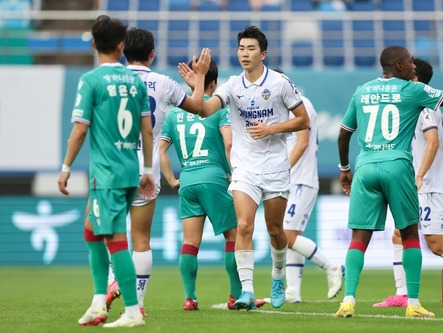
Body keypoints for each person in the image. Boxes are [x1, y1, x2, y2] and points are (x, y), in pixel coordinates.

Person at [335, 45, 443, 318]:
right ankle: (412, 303)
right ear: (399, 66)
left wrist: (344, 169)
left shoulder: (362, 90)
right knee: (410, 235)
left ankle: (349, 300)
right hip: (398, 166)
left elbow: (343, 134)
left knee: (358, 239)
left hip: (365, 166)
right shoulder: (413, 90)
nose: (414, 67)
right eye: (410, 62)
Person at [181, 25, 310, 310]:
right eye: (241, 49)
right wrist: (199, 79)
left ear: (263, 54)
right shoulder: (231, 86)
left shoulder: (280, 83)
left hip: (275, 166)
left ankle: (278, 277)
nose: (245, 54)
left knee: (276, 230)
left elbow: (303, 121)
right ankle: (247, 291)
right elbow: (203, 110)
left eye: (251, 49)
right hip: (245, 168)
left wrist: (271, 128)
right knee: (243, 226)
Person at [104, 27, 211, 315]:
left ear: (124, 50)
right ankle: (137, 305)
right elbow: (200, 108)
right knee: (141, 240)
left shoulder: (109, 81)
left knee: (107, 232)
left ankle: (113, 279)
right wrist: (198, 78)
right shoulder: (163, 84)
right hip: (146, 173)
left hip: (113, 169)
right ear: (152, 53)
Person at [57, 15, 154, 328]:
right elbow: (147, 130)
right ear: (121, 45)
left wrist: (66, 167)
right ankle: (99, 302)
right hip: (130, 170)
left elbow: (79, 131)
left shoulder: (91, 80)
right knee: (91, 230)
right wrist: (149, 169)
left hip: (107, 174)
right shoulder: (135, 81)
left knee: (114, 239)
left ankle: (132, 311)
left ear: (95, 44)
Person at [160, 59, 265, 311]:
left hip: (187, 180)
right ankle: (235, 294)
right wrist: (233, 171)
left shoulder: (174, 113)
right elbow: (229, 143)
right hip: (214, 178)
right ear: (215, 83)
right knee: (233, 236)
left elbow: (161, 150)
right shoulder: (219, 110)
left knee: (189, 242)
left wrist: (172, 179)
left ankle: (190, 297)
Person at [373, 58, 443, 308]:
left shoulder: (424, 104)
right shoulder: (416, 103)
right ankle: (402, 295)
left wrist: (419, 175)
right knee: (398, 234)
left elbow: (433, 141)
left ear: (414, 79)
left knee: (436, 245)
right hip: (417, 186)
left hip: (428, 186)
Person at [271, 69, 343, 303]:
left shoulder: (301, 106)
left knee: (287, 235)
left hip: (301, 180)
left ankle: (332, 267)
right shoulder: (287, 108)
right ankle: (293, 291)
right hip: (295, 180)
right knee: (291, 236)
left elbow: (301, 143)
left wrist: (282, 169)